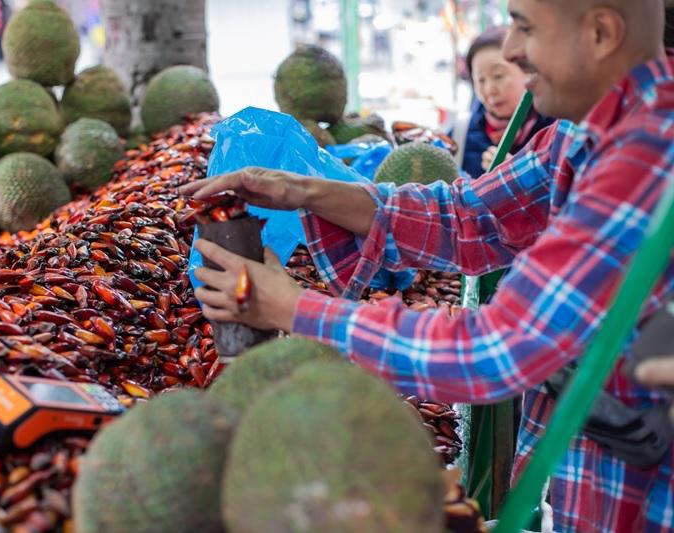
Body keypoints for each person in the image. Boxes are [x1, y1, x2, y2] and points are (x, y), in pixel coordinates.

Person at [181, 0, 674, 531]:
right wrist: (307, 190)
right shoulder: (589, 131)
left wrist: (289, 306)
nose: (509, 49)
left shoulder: (645, 160)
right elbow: (471, 216)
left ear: (601, 32)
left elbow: (496, 348)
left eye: (524, 27)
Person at [453, 26, 554, 178]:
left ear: (528, 72)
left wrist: (522, 176)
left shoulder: (554, 131)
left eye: (498, 76)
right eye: (481, 80)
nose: (489, 89)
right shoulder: (459, 135)